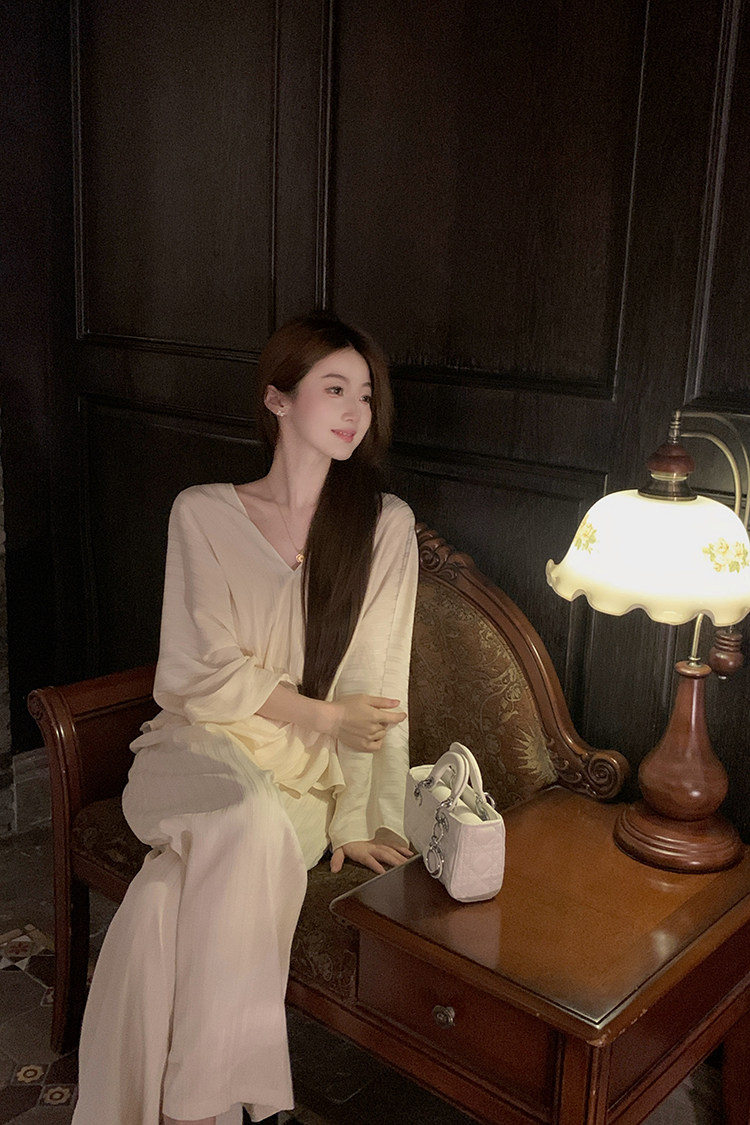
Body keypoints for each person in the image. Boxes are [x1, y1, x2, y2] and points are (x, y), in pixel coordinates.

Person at [72, 314, 419, 1125]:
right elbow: (198, 670)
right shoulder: (202, 512)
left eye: (366, 394)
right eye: (334, 388)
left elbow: (377, 682)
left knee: (159, 905)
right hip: (192, 751)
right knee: (243, 819)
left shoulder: (383, 525)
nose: (356, 410)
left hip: (298, 777)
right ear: (277, 398)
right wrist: (323, 714)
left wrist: (360, 814)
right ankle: (210, 1106)